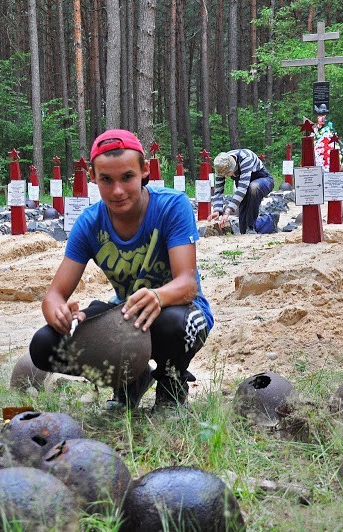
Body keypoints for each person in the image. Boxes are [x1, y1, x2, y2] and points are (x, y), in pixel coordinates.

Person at [29, 129, 213, 412]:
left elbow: (187, 284)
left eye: (127, 177)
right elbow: (54, 295)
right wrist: (59, 313)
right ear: (93, 177)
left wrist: (158, 296)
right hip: (125, 312)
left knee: (173, 323)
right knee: (43, 345)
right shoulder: (89, 223)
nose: (117, 191)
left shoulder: (172, 206)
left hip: (179, 310)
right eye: (106, 179)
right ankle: (131, 380)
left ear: (144, 172)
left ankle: (171, 389)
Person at [209, 148, 275, 234]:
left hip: (263, 181)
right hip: (244, 186)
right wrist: (217, 210)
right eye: (223, 175)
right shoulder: (220, 164)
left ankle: (252, 227)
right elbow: (218, 190)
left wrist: (228, 211)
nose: (225, 176)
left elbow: (242, 188)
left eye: (227, 174)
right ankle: (270, 220)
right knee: (243, 229)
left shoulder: (245, 158)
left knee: (253, 188)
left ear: (233, 166)